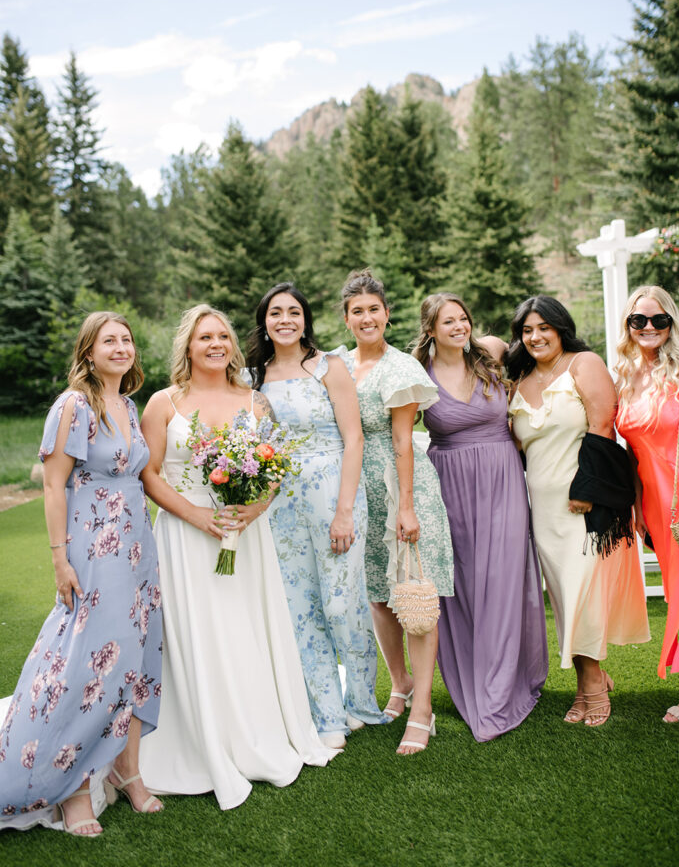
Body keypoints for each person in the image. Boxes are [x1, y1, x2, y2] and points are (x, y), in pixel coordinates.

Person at [138, 304, 334, 811]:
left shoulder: (255, 402)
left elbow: (272, 469)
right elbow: (151, 474)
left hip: (246, 535)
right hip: (185, 535)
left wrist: (254, 508)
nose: (216, 344)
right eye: (205, 337)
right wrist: (198, 518)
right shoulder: (164, 403)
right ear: (188, 346)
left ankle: (256, 732)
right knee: (197, 632)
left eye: (222, 336)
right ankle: (199, 737)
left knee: (246, 628)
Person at [0, 312, 163, 835]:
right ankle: (71, 790)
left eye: (126, 339)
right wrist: (59, 559)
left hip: (138, 547)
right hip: (94, 550)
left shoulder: (130, 405)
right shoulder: (73, 405)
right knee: (88, 664)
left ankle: (127, 770)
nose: (120, 347)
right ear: (88, 353)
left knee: (134, 658)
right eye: (108, 341)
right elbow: (53, 487)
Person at [248, 283, 387, 750]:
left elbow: (355, 440)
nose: (284, 320)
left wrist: (345, 510)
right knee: (299, 606)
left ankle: (361, 702)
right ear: (264, 322)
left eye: (293, 312)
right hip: (280, 500)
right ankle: (326, 713)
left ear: (305, 319)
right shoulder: (253, 376)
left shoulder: (330, 366)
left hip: (333, 492)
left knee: (341, 603)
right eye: (275, 313)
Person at [507, 296, 649, 726]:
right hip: (542, 510)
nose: (535, 337)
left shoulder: (583, 363)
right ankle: (594, 676)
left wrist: (586, 488)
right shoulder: (518, 378)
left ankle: (588, 685)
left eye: (543, 328)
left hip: (584, 504)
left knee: (582, 591)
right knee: (566, 597)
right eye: (527, 330)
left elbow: (602, 424)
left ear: (560, 328)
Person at [413, 293, 548, 742]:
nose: (459, 326)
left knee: (504, 578)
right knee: (467, 583)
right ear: (430, 329)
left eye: (463, 318)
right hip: (449, 484)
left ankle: (501, 689)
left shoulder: (490, 352)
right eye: (447, 321)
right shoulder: (417, 374)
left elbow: (545, 353)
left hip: (502, 476)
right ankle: (472, 679)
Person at [341, 270, 454, 754]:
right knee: (378, 595)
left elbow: (404, 441)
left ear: (387, 313)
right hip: (357, 491)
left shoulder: (402, 367)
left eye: (374, 309)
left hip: (401, 486)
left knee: (415, 594)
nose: (367, 318)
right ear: (346, 319)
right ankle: (400, 683)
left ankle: (424, 708)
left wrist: (405, 507)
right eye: (357, 311)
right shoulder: (337, 366)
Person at [615, 285, 679, 722]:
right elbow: (630, 451)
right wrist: (636, 504)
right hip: (655, 505)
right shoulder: (621, 377)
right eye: (639, 320)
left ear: (671, 325)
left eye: (659, 320)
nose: (649, 328)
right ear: (628, 325)